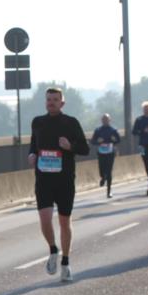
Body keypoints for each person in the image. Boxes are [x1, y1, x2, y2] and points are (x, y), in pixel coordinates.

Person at [28, 87, 90, 282]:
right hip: (43, 179)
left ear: (62, 103)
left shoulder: (71, 123)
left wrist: (70, 146)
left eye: (55, 99)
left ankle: (65, 262)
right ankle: (53, 249)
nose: (51, 102)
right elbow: (33, 144)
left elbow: (85, 149)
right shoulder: (38, 122)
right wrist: (32, 154)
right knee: (45, 218)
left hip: (65, 180)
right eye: (49, 99)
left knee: (64, 221)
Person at [91, 114, 120, 198]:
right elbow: (92, 141)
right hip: (101, 153)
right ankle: (103, 178)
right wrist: (98, 141)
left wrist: (114, 140)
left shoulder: (113, 130)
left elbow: (118, 140)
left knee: (109, 171)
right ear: (101, 120)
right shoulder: (98, 130)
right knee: (101, 169)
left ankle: (109, 191)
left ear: (109, 120)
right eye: (104, 119)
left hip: (110, 153)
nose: (105, 121)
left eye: (106, 119)